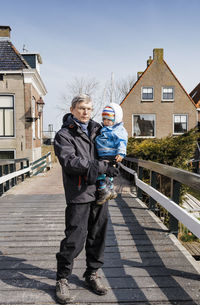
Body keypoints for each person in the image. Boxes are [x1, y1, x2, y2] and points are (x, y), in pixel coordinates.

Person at [54, 94, 119, 304]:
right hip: (79, 192)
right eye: (81, 108)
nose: (86, 112)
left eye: (89, 109)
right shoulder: (64, 135)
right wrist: (101, 166)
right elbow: (71, 162)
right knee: (75, 238)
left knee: (98, 235)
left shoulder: (99, 129)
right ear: (72, 109)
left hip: (100, 192)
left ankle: (92, 273)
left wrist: (118, 156)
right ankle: (62, 278)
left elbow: (111, 146)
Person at [95, 103, 128, 205]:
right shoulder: (104, 128)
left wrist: (121, 153)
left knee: (101, 173)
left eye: (109, 120)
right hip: (103, 153)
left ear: (115, 119)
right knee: (108, 172)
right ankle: (111, 189)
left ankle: (104, 191)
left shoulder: (118, 130)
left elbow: (122, 141)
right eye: (104, 119)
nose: (106, 122)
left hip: (109, 154)